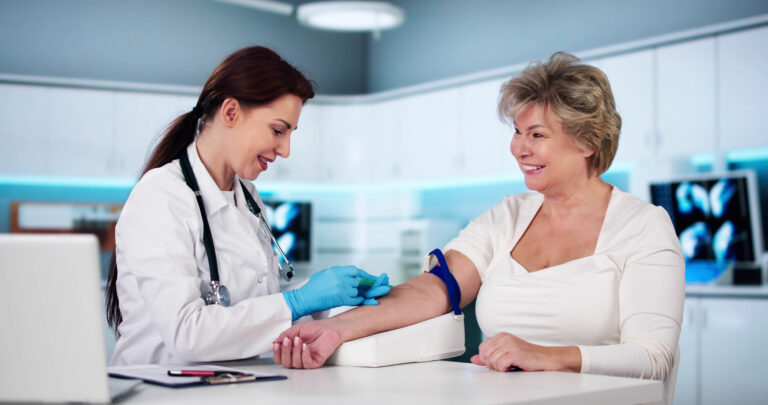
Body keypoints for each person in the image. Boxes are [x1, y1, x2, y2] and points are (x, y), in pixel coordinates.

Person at [271, 52, 685, 381]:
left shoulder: (643, 227)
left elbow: (653, 357)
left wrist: (545, 356)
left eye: (537, 135)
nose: (519, 148)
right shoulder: (505, 217)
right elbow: (434, 291)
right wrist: (336, 329)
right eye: (517, 132)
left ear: (587, 142)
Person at [105, 46, 390, 366]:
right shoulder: (160, 197)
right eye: (278, 130)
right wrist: (296, 301)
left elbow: (254, 312)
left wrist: (325, 303)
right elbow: (186, 334)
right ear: (230, 113)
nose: (285, 150)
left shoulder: (250, 199)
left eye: (290, 134)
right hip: (155, 389)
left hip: (233, 385)